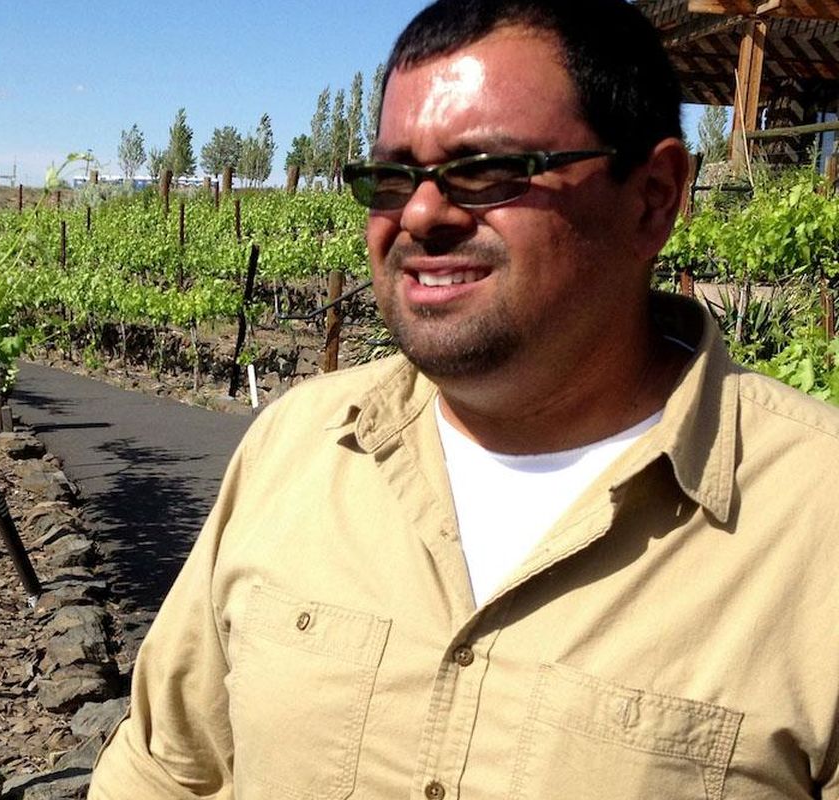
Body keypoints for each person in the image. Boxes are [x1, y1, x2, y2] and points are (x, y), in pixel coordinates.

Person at [90, 0, 839, 797]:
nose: (419, 214)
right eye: (390, 177)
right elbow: (168, 769)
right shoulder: (298, 444)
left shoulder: (813, 521)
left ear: (653, 196)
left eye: (485, 170)